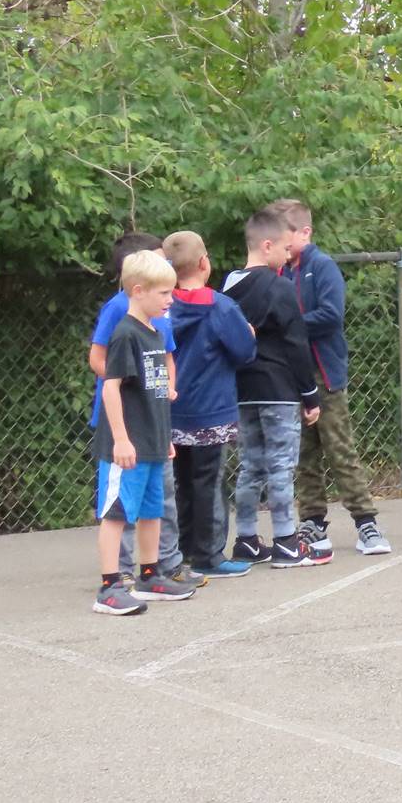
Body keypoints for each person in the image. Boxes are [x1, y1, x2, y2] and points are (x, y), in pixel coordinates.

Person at [276, 199, 390, 559]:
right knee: (303, 454)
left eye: (283, 236)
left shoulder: (321, 266)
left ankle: (366, 522)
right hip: (290, 377)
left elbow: (329, 315)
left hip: (323, 375)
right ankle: (312, 522)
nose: (277, 243)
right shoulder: (279, 271)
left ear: (304, 232)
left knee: (339, 449)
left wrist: (287, 325)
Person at [91, 250, 196, 614]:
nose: (170, 300)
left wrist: (163, 436)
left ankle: (150, 576)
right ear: (138, 290)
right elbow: (110, 387)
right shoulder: (125, 334)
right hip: (128, 446)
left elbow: (154, 394)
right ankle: (109, 587)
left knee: (152, 511)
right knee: (117, 513)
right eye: (164, 293)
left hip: (152, 441)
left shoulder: (153, 332)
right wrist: (121, 439)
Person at [224, 208, 325, 567]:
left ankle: (247, 538)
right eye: (284, 248)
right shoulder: (280, 287)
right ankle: (286, 540)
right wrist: (309, 395)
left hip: (243, 390)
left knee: (251, 465)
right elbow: (295, 344)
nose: (288, 255)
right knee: (281, 466)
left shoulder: (228, 286)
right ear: (267, 246)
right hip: (279, 391)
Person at [160, 232, 259, 580]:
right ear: (204, 263)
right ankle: (209, 554)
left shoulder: (162, 305)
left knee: (180, 483)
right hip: (211, 410)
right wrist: (248, 333)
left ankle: (181, 549)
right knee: (209, 482)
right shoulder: (218, 306)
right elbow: (244, 352)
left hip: (171, 410)